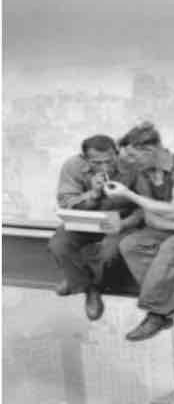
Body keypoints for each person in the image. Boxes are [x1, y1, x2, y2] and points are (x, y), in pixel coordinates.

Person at [106, 122, 174, 341]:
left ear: (149, 151)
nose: (129, 161)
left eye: (132, 155)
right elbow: (151, 216)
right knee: (131, 244)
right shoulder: (144, 172)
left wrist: (129, 195)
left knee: (172, 248)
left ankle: (157, 314)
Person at [49, 134, 142, 321]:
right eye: (97, 163)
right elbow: (66, 202)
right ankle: (89, 289)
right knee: (59, 245)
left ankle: (75, 279)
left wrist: (124, 223)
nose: (105, 167)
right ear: (85, 159)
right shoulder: (73, 166)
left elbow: (145, 206)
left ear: (117, 153)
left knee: (108, 254)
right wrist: (94, 194)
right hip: (85, 219)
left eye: (109, 161)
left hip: (121, 222)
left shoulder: (133, 167)